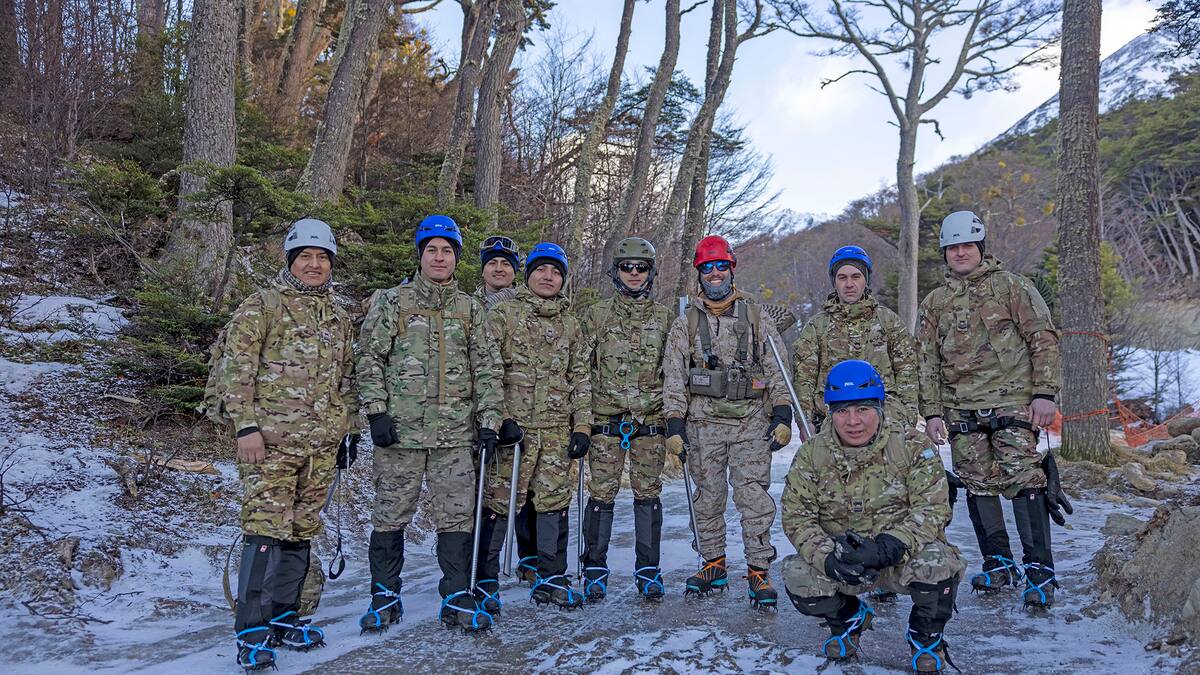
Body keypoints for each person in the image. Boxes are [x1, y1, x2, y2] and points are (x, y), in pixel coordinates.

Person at [215, 219, 359, 670]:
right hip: (270, 443)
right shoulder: (263, 305)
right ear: (291, 260)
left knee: (300, 531)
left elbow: (347, 379)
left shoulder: (337, 315)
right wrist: (245, 426)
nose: (314, 265)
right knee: (264, 530)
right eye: (305, 257)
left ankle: (285, 616)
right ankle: (252, 631)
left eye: (322, 258)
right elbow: (236, 370)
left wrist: (346, 430)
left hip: (320, 446)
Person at [355, 214, 504, 633]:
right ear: (420, 255)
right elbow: (368, 358)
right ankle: (385, 596)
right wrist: (376, 411)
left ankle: (457, 594)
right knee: (390, 515)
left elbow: (488, 370)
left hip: (455, 436)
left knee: (457, 517)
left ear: (457, 258)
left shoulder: (470, 309)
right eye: (432, 250)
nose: (439, 257)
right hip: (399, 434)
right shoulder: (392, 302)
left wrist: (488, 421)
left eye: (447, 251)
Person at [918, 211, 1067, 608]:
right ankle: (998, 563)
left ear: (980, 248)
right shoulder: (935, 302)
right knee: (977, 483)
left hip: (1015, 402)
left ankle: (1040, 571)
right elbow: (926, 361)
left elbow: (1043, 338)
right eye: (953, 248)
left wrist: (1045, 393)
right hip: (961, 410)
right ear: (945, 253)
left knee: (1025, 480)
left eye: (968, 246)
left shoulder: (1012, 287)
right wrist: (932, 412)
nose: (961, 253)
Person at [781, 360, 965, 673]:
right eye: (841, 411)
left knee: (940, 564)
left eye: (862, 409)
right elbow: (796, 516)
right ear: (830, 413)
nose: (852, 421)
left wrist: (889, 546)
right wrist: (828, 560)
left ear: (879, 408)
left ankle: (926, 637)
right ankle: (848, 618)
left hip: (899, 555)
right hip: (845, 561)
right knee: (798, 575)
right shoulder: (812, 454)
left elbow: (932, 508)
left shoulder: (912, 446)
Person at [662, 235, 792, 609]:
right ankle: (713, 563)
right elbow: (673, 376)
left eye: (721, 266)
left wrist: (781, 413)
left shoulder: (755, 315)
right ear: (699, 274)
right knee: (708, 498)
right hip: (703, 424)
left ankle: (758, 569)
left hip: (751, 422)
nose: (715, 273)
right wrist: (674, 422)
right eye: (707, 268)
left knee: (753, 497)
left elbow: (777, 367)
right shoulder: (685, 323)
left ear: (731, 268)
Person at [478, 242, 593, 610]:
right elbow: (487, 371)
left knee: (553, 504)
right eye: (542, 270)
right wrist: (498, 420)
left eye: (556, 272)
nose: (549, 277)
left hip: (557, 431)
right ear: (528, 275)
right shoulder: (504, 315)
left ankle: (551, 577)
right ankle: (484, 581)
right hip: (513, 433)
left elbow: (580, 378)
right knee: (498, 503)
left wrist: (583, 426)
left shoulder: (571, 324)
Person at [577, 237, 673, 601]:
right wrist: (582, 424)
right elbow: (580, 372)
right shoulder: (596, 317)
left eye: (641, 268)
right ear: (615, 272)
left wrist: (675, 421)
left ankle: (648, 569)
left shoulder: (666, 319)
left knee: (648, 495)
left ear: (651, 273)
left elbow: (675, 373)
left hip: (650, 424)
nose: (634, 274)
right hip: (605, 425)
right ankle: (595, 568)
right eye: (626, 267)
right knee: (601, 496)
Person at [791, 245, 918, 430]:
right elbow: (804, 379)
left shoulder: (889, 321)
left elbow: (907, 372)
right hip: (831, 420)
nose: (849, 284)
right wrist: (805, 421)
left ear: (866, 279)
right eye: (842, 277)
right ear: (834, 282)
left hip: (885, 420)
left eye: (856, 276)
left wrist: (909, 417)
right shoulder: (816, 327)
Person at [475, 235, 521, 307]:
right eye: (492, 263)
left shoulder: (529, 305)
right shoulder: (468, 305)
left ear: (515, 272)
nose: (498, 269)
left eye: (506, 264)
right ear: (483, 271)